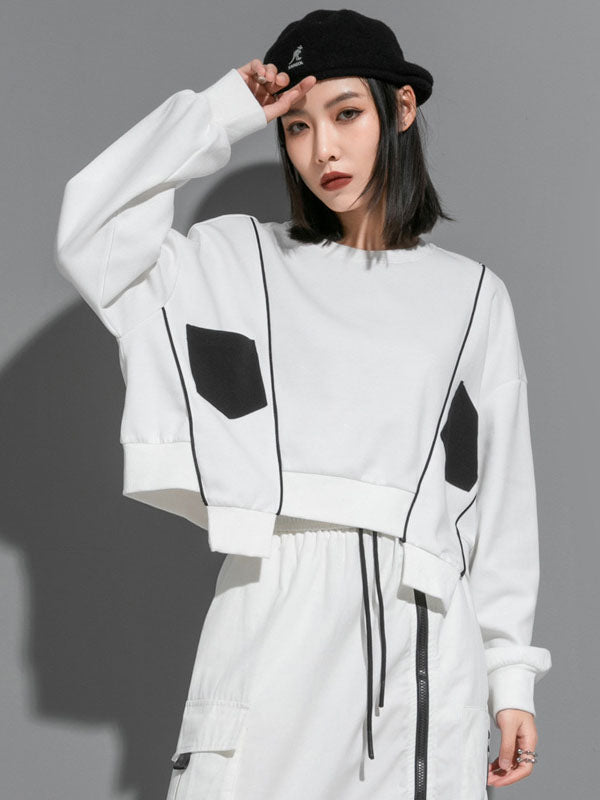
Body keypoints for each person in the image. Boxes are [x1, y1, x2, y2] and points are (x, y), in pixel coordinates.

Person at [54, 9, 552, 799]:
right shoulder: (234, 264)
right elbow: (93, 232)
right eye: (296, 126)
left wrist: (510, 673)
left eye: (346, 114)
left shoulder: (472, 297)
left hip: (423, 630)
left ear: (400, 109)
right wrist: (223, 110)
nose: (323, 149)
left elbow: (499, 497)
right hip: (276, 612)